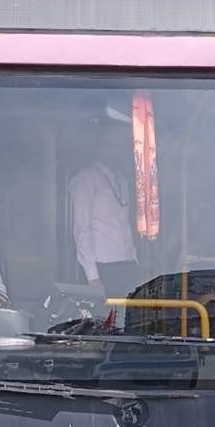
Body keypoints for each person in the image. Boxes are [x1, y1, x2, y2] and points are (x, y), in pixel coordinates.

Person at [69, 123, 139, 298]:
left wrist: (134, 259)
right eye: (109, 145)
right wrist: (93, 277)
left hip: (127, 262)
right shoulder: (85, 179)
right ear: (99, 146)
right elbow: (82, 229)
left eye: (119, 146)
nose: (114, 151)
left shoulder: (122, 180)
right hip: (102, 266)